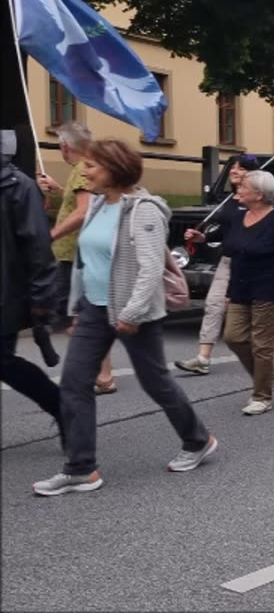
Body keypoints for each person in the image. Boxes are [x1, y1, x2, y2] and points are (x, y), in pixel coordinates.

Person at [35, 140, 217, 496]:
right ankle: (80, 469)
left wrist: (132, 313)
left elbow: (150, 270)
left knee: (155, 382)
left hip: (133, 311)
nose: (85, 172)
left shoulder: (144, 211)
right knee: (73, 384)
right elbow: (88, 262)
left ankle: (197, 440)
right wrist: (77, 307)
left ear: (114, 169)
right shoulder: (99, 204)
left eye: (93, 166)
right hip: (93, 308)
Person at [186, 171, 274, 415]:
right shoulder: (239, 217)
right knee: (233, 337)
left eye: (244, 187)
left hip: (268, 289)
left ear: (258, 194)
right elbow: (232, 249)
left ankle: (262, 396)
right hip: (239, 288)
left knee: (261, 344)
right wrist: (202, 239)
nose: (238, 189)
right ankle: (267, 377)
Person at [175, 154, 274, 377]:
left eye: (240, 168)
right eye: (232, 167)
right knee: (214, 304)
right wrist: (201, 238)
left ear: (253, 175)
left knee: (261, 308)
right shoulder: (228, 201)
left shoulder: (258, 203)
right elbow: (225, 232)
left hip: (255, 263)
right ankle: (203, 358)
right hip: (229, 261)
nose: (234, 171)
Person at [39, 122, 116, 394]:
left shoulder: (83, 171)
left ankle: (102, 375)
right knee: (84, 316)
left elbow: (84, 211)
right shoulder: (83, 171)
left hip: (75, 256)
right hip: (76, 255)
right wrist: (59, 190)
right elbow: (83, 203)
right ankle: (98, 373)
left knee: (84, 316)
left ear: (64, 146)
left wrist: (51, 234)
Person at [1, 129, 63, 444]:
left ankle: (63, 408)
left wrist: (41, 301)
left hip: (6, 293)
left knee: (3, 361)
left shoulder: (18, 187)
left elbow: (39, 249)